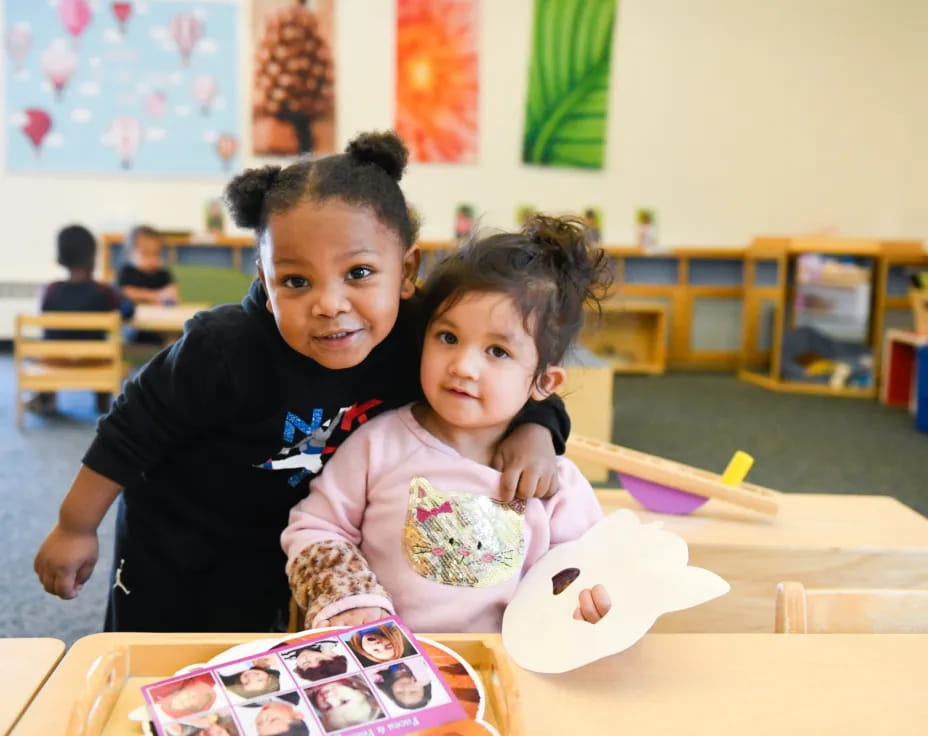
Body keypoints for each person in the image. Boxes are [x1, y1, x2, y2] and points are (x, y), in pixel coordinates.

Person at [33, 131, 569, 633]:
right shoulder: (222, 348)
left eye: (358, 273)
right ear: (265, 282)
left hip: (297, 541)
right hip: (178, 543)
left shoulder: (421, 337)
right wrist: (75, 526)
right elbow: (128, 429)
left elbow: (503, 377)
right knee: (159, 662)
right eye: (295, 281)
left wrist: (537, 427)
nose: (330, 304)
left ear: (407, 271)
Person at [283, 214, 615, 633]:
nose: (463, 366)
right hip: (383, 664)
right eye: (448, 338)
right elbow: (316, 526)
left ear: (544, 381)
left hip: (501, 670)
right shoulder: (377, 444)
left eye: (497, 351)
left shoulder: (555, 485)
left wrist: (592, 605)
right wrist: (348, 599)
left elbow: (586, 573)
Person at [27, 224, 134, 417]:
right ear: (94, 258)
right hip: (95, 361)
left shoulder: (49, 291)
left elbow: (44, 317)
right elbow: (128, 311)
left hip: (54, 361)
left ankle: (46, 398)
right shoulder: (104, 292)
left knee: (43, 349)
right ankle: (102, 402)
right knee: (111, 352)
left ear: (59, 259)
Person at [116, 225, 179, 306]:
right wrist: (155, 296)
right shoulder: (126, 271)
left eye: (156, 253)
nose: (152, 259)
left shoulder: (163, 274)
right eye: (146, 253)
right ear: (130, 254)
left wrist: (170, 294)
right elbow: (125, 292)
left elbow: (173, 292)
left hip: (160, 315)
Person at [305, 677, 383, 731]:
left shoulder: (307, 692)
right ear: (362, 692)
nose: (329, 700)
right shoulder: (353, 675)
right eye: (344, 701)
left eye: (328, 708)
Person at [346, 623, 416, 666]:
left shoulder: (346, 636)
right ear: (391, 639)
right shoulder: (389, 623)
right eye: (388, 645)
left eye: (376, 650)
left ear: (366, 652)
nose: (379, 645)